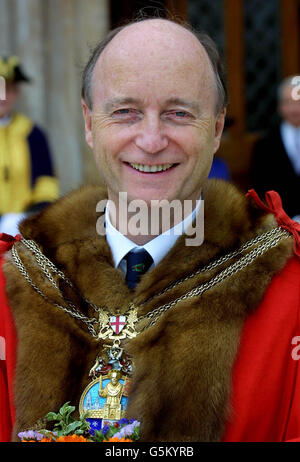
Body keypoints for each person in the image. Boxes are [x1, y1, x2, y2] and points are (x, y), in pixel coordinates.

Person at [0, 18, 300, 443]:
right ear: (89, 123)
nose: (152, 139)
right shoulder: (14, 282)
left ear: (216, 128)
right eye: (125, 112)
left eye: (179, 113)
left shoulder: (292, 296)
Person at [0, 56, 59, 235]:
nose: (2, 96)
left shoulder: (33, 133)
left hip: (21, 230)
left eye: (8, 89)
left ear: (17, 93)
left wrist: (30, 218)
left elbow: (46, 183)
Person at [251, 76, 300, 220]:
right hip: (280, 225)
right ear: (279, 106)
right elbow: (261, 192)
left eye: (298, 101)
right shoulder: (264, 145)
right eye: (287, 102)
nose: (293, 108)